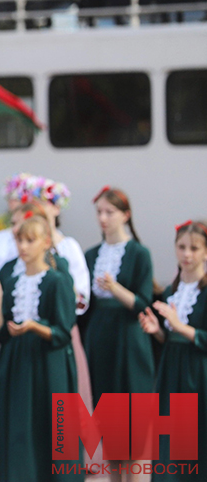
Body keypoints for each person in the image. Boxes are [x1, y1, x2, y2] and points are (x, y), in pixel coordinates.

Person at [0, 212, 81, 482]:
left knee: (48, 429)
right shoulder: (12, 282)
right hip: (15, 365)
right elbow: (2, 334)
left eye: (30, 240)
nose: (23, 246)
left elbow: (62, 332)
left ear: (46, 242)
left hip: (47, 366)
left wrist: (35, 326)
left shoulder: (57, 281)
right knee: (17, 428)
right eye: (19, 240)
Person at [85, 186, 154, 482]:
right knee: (109, 422)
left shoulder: (139, 253)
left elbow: (142, 303)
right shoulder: (91, 254)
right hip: (99, 336)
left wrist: (115, 289)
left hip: (129, 339)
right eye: (99, 212)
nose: (103, 218)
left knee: (133, 422)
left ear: (125, 215)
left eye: (109, 212)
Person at [138, 220, 207, 481]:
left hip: (198, 373)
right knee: (170, 442)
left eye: (194, 248)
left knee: (196, 442)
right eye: (182, 247)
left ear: (205, 252)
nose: (187, 254)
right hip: (171, 373)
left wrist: (179, 325)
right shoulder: (171, 291)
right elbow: (169, 339)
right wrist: (157, 330)